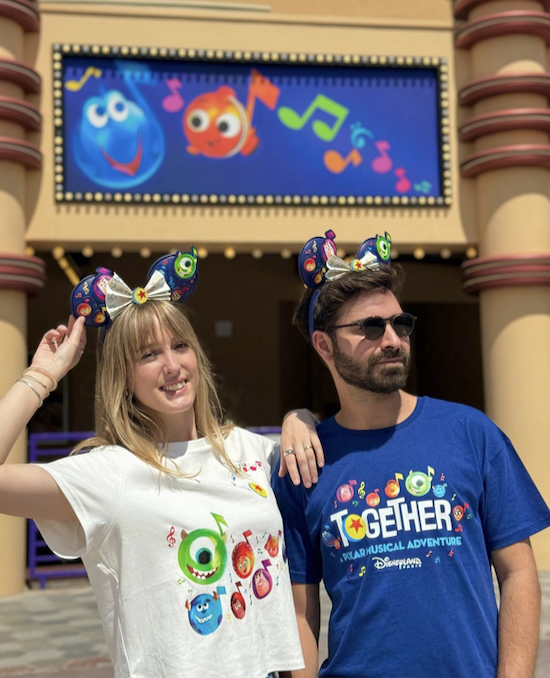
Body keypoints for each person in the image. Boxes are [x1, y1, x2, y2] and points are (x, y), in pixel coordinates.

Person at [0, 252, 320, 678]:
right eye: (149, 354)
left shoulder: (251, 452)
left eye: (180, 345)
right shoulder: (108, 474)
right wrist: (41, 378)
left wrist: (300, 417)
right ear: (123, 376)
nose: (172, 365)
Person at [272, 231, 550, 678]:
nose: (393, 339)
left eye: (400, 324)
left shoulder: (471, 433)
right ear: (324, 345)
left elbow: (519, 574)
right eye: (370, 327)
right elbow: (300, 614)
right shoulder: (305, 462)